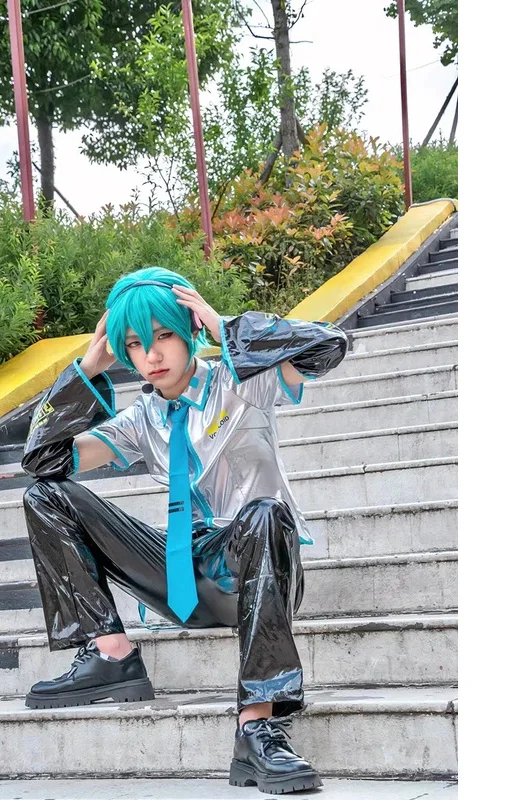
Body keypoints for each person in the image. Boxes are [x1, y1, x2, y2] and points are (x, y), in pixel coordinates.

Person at [20, 266, 348, 795]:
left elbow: (330, 344)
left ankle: (257, 727)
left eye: (163, 335)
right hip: (182, 572)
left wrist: (227, 328)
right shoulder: (141, 418)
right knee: (44, 494)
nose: (152, 355)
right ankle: (111, 654)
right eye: (134, 344)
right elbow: (43, 460)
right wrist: (87, 369)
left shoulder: (243, 381)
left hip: (256, 564)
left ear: (189, 329)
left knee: (266, 513)